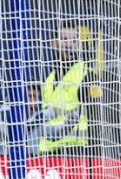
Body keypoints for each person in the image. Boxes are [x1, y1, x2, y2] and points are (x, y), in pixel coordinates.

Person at [38, 23, 101, 156]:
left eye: (74, 40)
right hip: (48, 150)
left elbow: (95, 111)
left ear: (79, 44)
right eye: (64, 39)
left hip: (76, 149)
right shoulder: (48, 78)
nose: (69, 44)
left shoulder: (86, 74)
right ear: (54, 43)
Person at [0, 83, 44, 157]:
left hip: (24, 161)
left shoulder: (34, 116)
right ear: (20, 96)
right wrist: (45, 115)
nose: (34, 102)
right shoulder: (4, 113)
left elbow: (50, 130)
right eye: (30, 96)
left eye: (36, 97)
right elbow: (15, 135)